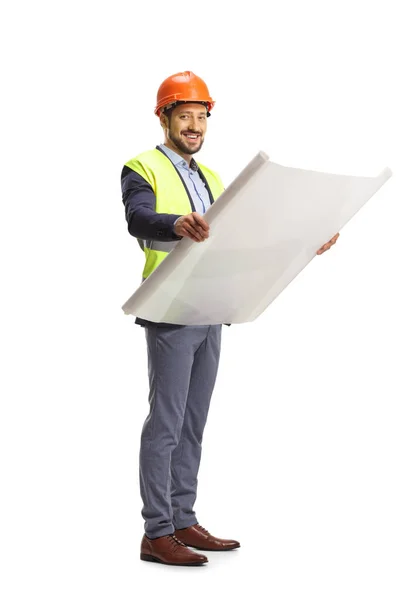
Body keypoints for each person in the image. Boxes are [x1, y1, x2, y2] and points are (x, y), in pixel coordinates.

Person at [121, 71, 339, 567]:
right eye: (185, 115)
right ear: (165, 118)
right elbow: (138, 217)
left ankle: (182, 518)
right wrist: (173, 223)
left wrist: (308, 241)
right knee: (167, 423)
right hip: (171, 310)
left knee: (193, 423)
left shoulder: (213, 178)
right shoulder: (142, 167)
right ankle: (156, 532)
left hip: (211, 308)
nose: (194, 125)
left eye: (201, 116)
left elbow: (245, 237)